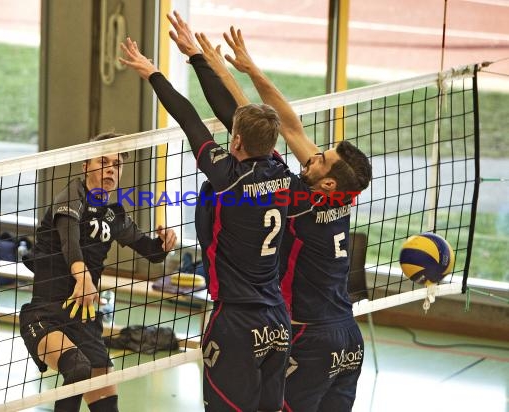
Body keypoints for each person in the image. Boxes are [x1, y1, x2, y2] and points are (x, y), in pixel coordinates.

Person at [185, 23, 372, 411]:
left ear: (327, 183)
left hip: (309, 338)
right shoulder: (341, 194)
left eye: (322, 159)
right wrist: (250, 68)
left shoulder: (299, 195)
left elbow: (261, 129)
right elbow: (289, 125)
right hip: (348, 339)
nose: (314, 156)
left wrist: (221, 72)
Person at [120, 25, 294, 412]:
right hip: (278, 320)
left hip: (235, 320)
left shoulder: (228, 177)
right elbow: (233, 116)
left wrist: (153, 73)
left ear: (234, 142)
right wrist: (196, 58)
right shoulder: (282, 172)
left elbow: (190, 118)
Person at [19, 132, 177, 412]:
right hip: (46, 315)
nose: (110, 169)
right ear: (85, 166)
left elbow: (151, 252)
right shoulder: (71, 197)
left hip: (84, 320)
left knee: (106, 404)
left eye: (116, 164)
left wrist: (165, 244)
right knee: (78, 369)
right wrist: (83, 277)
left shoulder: (113, 216)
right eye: (103, 162)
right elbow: (71, 241)